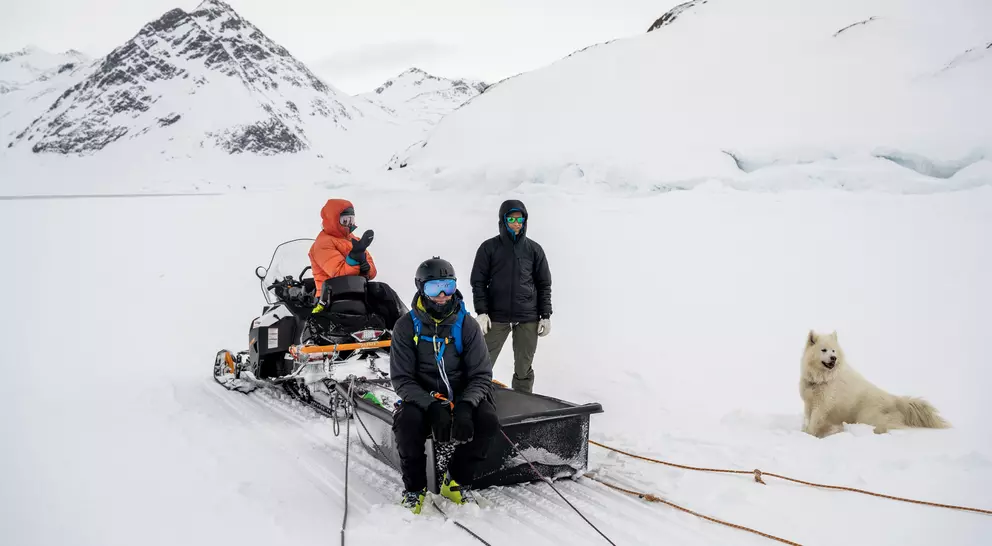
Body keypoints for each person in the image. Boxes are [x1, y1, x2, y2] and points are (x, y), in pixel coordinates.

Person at [389, 257, 499, 514]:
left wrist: (466, 404)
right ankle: (415, 489)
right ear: (420, 288)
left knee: (488, 420)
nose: (442, 295)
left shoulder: (466, 325)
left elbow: (481, 374)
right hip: (423, 395)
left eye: (448, 287)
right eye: (434, 288)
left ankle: (456, 481)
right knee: (407, 424)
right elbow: (402, 378)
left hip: (461, 394)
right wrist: (431, 405)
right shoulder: (406, 327)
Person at [470, 200, 552, 393]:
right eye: (511, 219)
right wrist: (482, 312)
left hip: (528, 317)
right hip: (496, 316)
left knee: (524, 367)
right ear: (503, 220)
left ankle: (522, 400)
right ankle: (474, 398)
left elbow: (544, 284)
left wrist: (545, 315)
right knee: (482, 363)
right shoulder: (489, 248)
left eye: (520, 219)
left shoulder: (534, 250)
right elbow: (478, 282)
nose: (516, 223)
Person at [308, 198, 377, 297]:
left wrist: (367, 269)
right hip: (329, 296)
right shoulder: (322, 244)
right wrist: (353, 258)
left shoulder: (353, 239)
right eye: (345, 220)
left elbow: (372, 271)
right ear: (333, 220)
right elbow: (339, 275)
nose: (349, 224)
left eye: (351, 220)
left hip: (355, 290)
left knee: (384, 292)